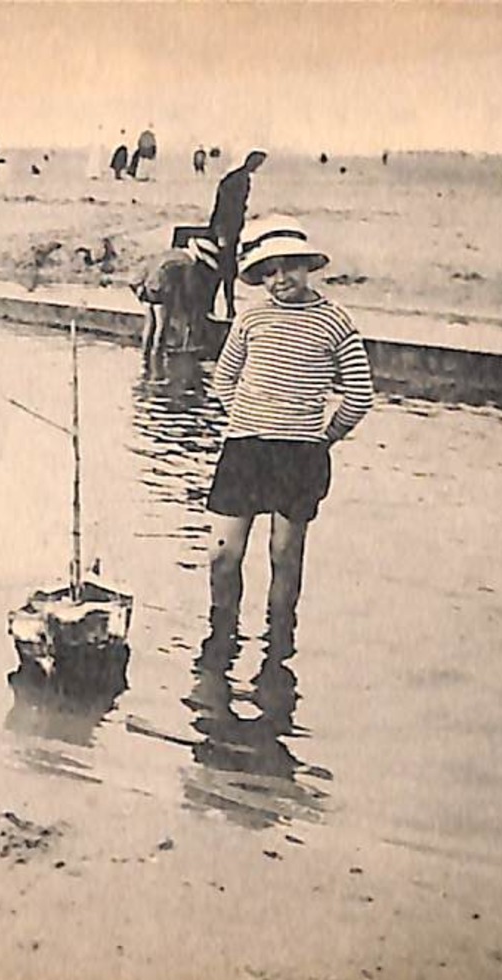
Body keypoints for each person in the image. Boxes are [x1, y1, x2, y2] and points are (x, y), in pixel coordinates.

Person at [204, 216, 374, 664]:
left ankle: (278, 648)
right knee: (223, 555)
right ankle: (221, 641)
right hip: (244, 449)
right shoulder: (251, 317)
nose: (282, 279)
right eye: (270, 271)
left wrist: (322, 439)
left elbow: (359, 393)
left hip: (299, 454)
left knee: (284, 554)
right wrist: (246, 418)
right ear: (259, 277)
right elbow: (224, 378)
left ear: (308, 266)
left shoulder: (335, 320)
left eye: (290, 267)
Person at [134, 236, 221, 362]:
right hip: (162, 291)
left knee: (149, 325)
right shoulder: (188, 262)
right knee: (161, 327)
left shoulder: (170, 253)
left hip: (146, 287)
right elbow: (188, 287)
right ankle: (157, 358)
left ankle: (145, 356)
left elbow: (146, 269)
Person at [210, 149, 267, 319]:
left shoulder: (237, 177)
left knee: (224, 270)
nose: (258, 167)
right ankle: (227, 308)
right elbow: (228, 207)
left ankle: (225, 307)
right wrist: (223, 232)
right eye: (258, 163)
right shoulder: (240, 180)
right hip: (227, 229)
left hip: (229, 229)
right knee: (225, 271)